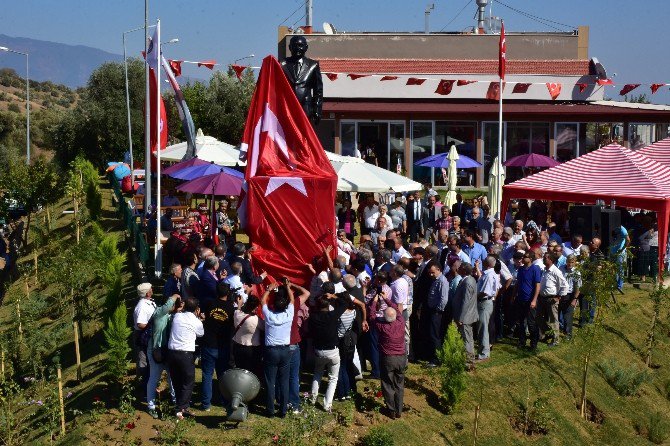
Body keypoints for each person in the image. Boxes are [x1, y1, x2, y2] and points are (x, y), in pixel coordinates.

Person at [309, 283, 349, 412]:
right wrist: (333, 297)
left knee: (317, 374)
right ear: (328, 305)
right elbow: (344, 304)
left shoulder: (313, 317)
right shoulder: (332, 316)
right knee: (333, 378)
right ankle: (327, 405)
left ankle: (313, 398)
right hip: (332, 351)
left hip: (319, 351)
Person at [369, 290, 406, 419]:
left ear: (385, 317)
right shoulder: (401, 322)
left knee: (387, 383)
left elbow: (372, 316)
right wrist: (386, 300)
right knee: (399, 384)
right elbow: (397, 309)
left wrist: (374, 303)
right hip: (401, 357)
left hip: (388, 358)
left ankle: (391, 410)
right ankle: (399, 410)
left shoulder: (381, 326)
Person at [261, 281, 295, 418]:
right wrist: (287, 287)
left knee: (270, 381)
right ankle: (283, 410)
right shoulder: (289, 315)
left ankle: (270, 410)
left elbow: (262, 301)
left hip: (271, 351)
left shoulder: (269, 316)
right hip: (285, 350)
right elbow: (292, 300)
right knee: (284, 381)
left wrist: (269, 289)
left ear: (273, 306)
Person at [200, 282, 235, 411]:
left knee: (207, 375)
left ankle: (206, 404)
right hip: (222, 346)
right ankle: (225, 401)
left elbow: (204, 315)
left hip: (209, 344)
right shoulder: (231, 308)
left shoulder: (209, 304)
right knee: (222, 376)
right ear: (228, 293)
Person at [167, 297, 204, 419]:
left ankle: (182, 406)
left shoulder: (177, 316)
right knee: (188, 381)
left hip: (172, 352)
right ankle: (180, 408)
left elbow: (176, 313)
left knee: (177, 380)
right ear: (197, 309)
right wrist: (199, 318)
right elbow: (201, 334)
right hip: (185, 353)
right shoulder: (196, 321)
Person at [146, 294, 179, 419]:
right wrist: (175, 296)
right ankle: (151, 406)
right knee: (154, 378)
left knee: (172, 378)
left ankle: (176, 402)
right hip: (156, 350)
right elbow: (167, 306)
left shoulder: (172, 315)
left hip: (167, 350)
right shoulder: (159, 312)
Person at [280, 35, 323, 125]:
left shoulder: (313, 65)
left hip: (305, 108)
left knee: (304, 137)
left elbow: (318, 90)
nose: (297, 48)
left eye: (300, 45)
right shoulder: (281, 64)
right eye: (294, 45)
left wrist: (317, 110)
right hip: (286, 108)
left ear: (306, 47)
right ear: (289, 47)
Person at [452, 263, 478, 366]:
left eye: (460, 267)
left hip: (466, 316)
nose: (457, 268)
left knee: (467, 338)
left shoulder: (467, 282)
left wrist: (461, 318)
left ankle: (469, 361)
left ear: (464, 270)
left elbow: (465, 301)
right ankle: (467, 358)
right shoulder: (469, 279)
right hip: (467, 315)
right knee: (467, 337)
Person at [232, 294, 264, 377]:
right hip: (252, 350)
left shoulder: (237, 314)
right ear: (256, 307)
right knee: (252, 372)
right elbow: (264, 327)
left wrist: (239, 304)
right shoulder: (256, 319)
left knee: (240, 371)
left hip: (237, 346)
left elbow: (238, 310)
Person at [515, 251, 542, 350]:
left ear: (530, 259)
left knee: (531, 323)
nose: (523, 259)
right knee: (521, 322)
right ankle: (522, 341)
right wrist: (514, 295)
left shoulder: (535, 269)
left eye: (525, 257)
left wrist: (534, 300)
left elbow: (537, 286)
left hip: (530, 300)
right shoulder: (521, 269)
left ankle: (533, 343)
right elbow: (518, 283)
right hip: (520, 299)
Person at [538, 253, 566, 346]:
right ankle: (547, 333)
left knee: (553, 319)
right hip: (542, 298)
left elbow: (564, 285)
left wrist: (558, 297)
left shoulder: (556, 271)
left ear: (551, 260)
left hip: (551, 298)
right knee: (539, 317)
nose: (543, 259)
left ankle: (555, 339)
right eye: (543, 258)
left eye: (545, 258)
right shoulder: (544, 270)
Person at [425, 264, 449, 366]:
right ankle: (433, 356)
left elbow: (444, 299)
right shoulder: (436, 279)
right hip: (433, 310)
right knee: (432, 333)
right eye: (430, 272)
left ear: (438, 270)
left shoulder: (442, 281)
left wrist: (438, 310)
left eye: (433, 272)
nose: (431, 274)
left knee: (435, 335)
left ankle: (436, 359)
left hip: (437, 312)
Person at [475, 256, 500, 361]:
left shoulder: (489, 276)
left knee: (483, 328)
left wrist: (474, 297)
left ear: (486, 264)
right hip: (487, 301)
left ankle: (484, 353)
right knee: (483, 327)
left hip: (484, 302)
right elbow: (497, 288)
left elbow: (485, 291)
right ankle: (483, 351)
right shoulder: (493, 274)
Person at [133, 283, 156, 391]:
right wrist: (152, 324)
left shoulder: (149, 302)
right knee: (144, 363)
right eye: (151, 288)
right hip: (143, 336)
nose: (152, 289)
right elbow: (140, 324)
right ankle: (144, 388)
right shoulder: (142, 306)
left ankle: (149, 386)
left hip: (147, 335)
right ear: (147, 292)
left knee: (149, 361)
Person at [559, 255, 581, 340]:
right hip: (560, 294)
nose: (570, 264)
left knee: (568, 315)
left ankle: (568, 334)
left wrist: (574, 299)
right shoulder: (561, 268)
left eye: (572, 262)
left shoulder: (576, 272)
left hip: (570, 295)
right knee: (559, 313)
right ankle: (560, 330)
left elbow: (578, 287)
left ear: (575, 263)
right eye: (568, 262)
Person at [610, 226, 630, 293]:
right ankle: (613, 285)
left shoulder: (622, 229)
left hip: (620, 253)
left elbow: (628, 239)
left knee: (620, 269)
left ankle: (619, 286)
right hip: (611, 251)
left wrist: (622, 248)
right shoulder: (610, 225)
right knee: (612, 268)